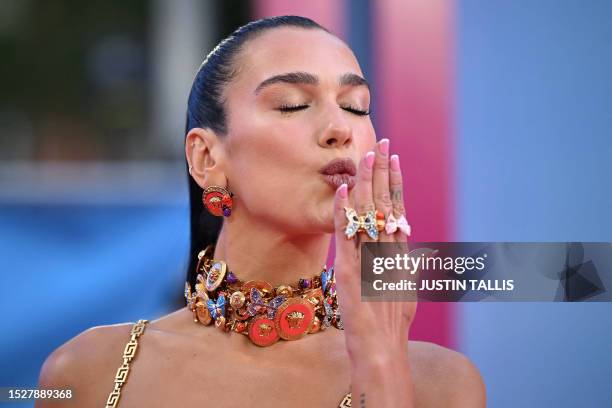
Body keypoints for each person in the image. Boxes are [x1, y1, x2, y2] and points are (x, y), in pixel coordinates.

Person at [36, 16, 485, 407]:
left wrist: (381, 358)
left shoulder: (441, 385)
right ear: (206, 159)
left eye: (356, 106)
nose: (338, 129)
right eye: (292, 103)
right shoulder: (88, 372)